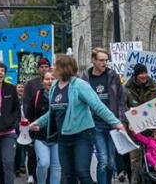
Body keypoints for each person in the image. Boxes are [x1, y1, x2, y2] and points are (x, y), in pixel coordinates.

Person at [29, 55, 125, 184]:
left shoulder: (80, 85)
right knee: (69, 175)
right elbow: (52, 111)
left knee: (82, 172)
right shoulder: (54, 86)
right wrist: (38, 123)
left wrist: (116, 123)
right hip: (62, 137)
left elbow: (97, 105)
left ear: (64, 68)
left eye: (55, 65)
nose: (52, 67)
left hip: (82, 135)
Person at [80, 47, 127, 184]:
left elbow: (121, 100)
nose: (104, 63)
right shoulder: (85, 79)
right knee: (103, 159)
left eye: (106, 60)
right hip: (95, 123)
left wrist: (120, 119)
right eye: (101, 60)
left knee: (111, 161)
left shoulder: (113, 76)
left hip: (112, 123)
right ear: (93, 60)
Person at [125, 63, 156, 184]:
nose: (143, 75)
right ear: (135, 75)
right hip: (134, 129)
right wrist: (128, 121)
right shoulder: (126, 89)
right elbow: (122, 107)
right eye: (141, 73)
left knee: (155, 156)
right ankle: (135, 180)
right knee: (135, 159)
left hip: (153, 129)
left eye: (145, 73)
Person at [25, 70, 60, 184]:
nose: (50, 81)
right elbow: (29, 115)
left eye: (53, 78)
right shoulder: (37, 95)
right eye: (47, 79)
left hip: (58, 137)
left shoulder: (61, 95)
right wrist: (31, 126)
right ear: (42, 81)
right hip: (40, 137)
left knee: (56, 167)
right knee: (44, 163)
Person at [22, 57, 51, 184]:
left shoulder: (55, 82)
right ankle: (32, 174)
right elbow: (27, 103)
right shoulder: (31, 84)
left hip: (51, 125)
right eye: (41, 67)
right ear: (38, 69)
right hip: (35, 123)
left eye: (46, 66)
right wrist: (29, 123)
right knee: (32, 152)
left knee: (49, 159)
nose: (44, 69)